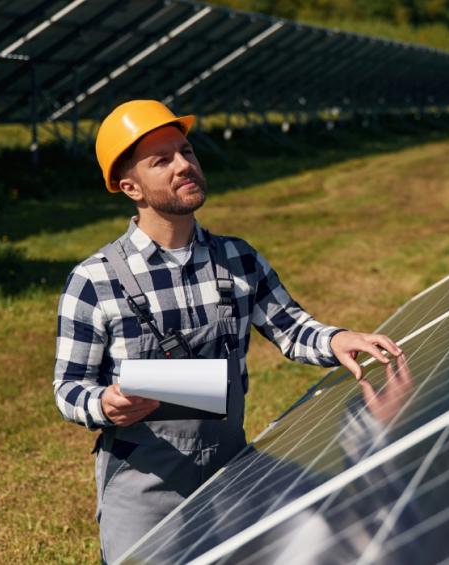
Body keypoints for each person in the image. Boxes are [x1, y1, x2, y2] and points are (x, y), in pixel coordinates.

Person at [53, 99, 403, 563]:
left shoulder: (237, 259)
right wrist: (104, 404)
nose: (184, 166)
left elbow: (291, 327)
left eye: (187, 151)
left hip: (229, 467)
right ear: (129, 186)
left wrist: (336, 339)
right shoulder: (95, 281)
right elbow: (68, 388)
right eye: (163, 161)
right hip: (143, 484)